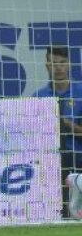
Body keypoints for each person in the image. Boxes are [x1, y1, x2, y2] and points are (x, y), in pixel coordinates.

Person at [32, 45, 82, 218]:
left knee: (70, 157)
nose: (58, 67)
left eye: (62, 63)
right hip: (49, 156)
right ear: (47, 65)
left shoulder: (81, 92)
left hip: (77, 154)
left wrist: (63, 122)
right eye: (53, 63)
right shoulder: (38, 97)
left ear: (69, 64)